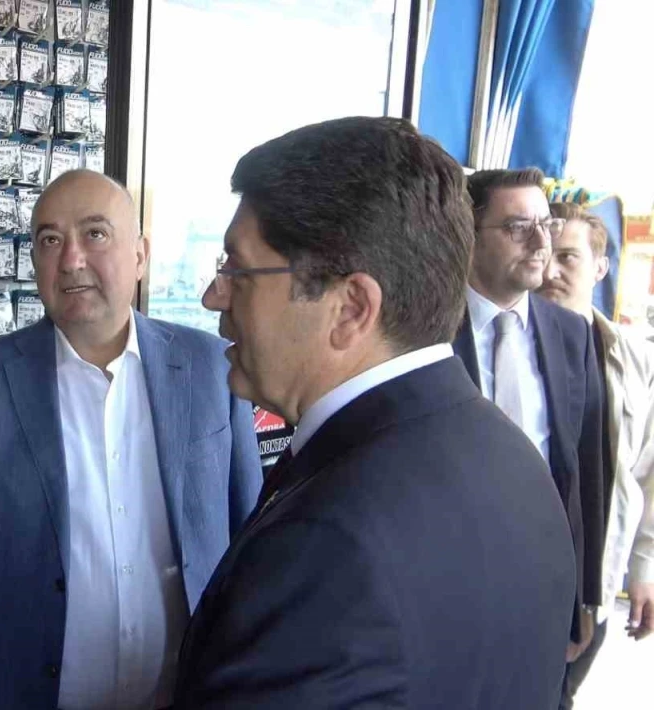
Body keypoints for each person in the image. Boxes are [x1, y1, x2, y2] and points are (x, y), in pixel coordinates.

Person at [178, 117, 576, 709]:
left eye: (237, 269)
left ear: (351, 308)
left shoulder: (323, 547)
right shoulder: (516, 461)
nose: (213, 296)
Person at [0, 170, 263, 710]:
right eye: (50, 240)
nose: (71, 259)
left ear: (141, 255)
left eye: (95, 234)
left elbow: (251, 539)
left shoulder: (212, 366)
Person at [453, 168, 607, 663]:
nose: (542, 242)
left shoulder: (571, 334)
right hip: (450, 582)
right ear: (469, 235)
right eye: (519, 227)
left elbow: (587, 470)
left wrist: (585, 597)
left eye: (547, 224)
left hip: (544, 586)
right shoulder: (425, 330)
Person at [538, 201, 654, 708]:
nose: (550, 270)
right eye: (544, 255)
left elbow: (647, 471)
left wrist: (644, 569)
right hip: (519, 573)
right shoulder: (502, 347)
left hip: (593, 585)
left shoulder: (634, 359)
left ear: (601, 267)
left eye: (568, 257)